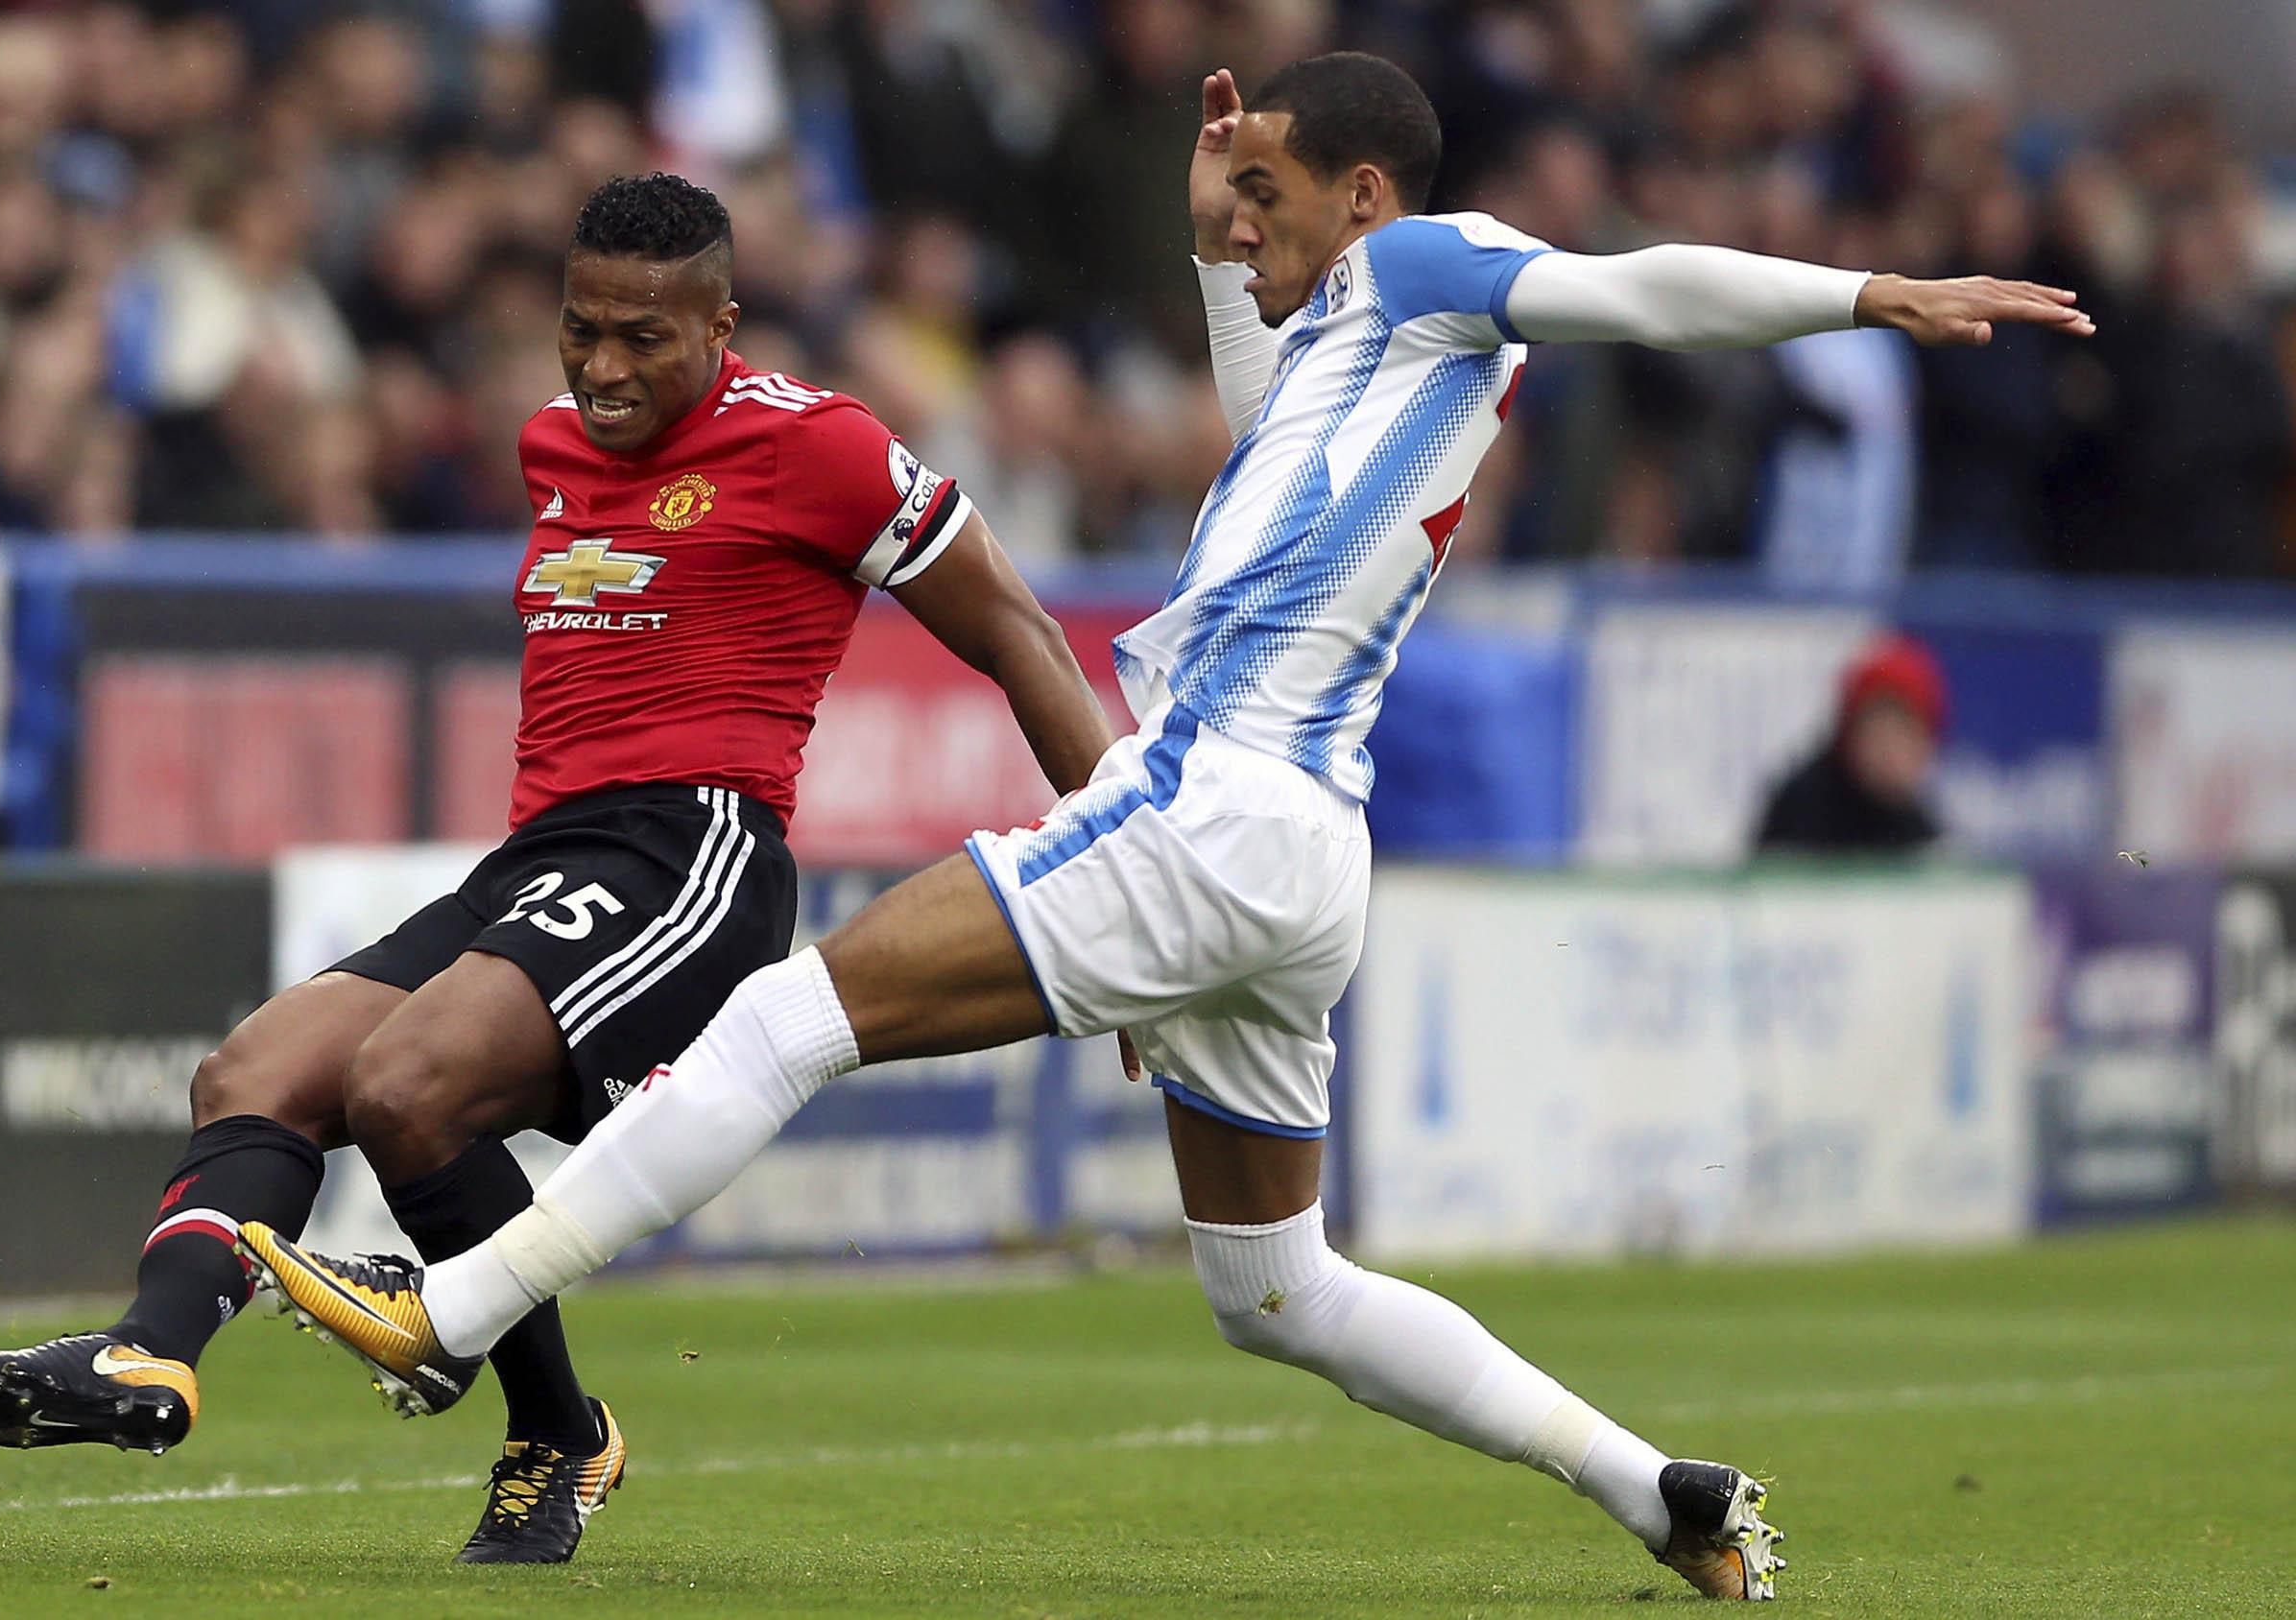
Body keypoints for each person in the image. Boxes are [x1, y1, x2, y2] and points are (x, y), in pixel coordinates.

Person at [236, 55, 2092, 1600]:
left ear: (1366, 194)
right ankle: (1653, 1487)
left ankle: (457, 1304)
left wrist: (1866, 295)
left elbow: (1636, 283)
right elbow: (1267, 419)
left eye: (1274, 191)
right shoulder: (1367, 351)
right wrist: (1220, 257)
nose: (1248, 215)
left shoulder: (1438, 260)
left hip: (1219, 808)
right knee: (1278, 1291)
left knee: (789, 1015)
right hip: (1292, 856)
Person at [0, 173, 1115, 1567]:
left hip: (695, 855)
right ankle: (154, 1358)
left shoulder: (823, 447)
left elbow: (1023, 630)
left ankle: (538, 1418)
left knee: (407, 1086)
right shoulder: (553, 441)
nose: (602, 367)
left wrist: (1114, 870)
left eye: (643, 339)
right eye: (580, 328)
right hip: (542, 858)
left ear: (721, 325)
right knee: (254, 1076)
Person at [1756, 633, 1949, 855]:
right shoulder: (1804, 808)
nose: (1888, 752)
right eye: (1878, 731)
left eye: (1904, 735)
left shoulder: (1917, 826)